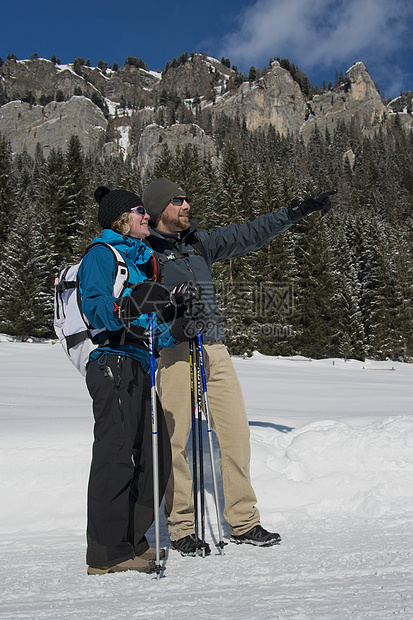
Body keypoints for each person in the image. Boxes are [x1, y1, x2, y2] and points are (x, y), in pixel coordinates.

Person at [142, 177, 336, 555]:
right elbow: (136, 301)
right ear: (159, 208)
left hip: (213, 347)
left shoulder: (199, 243)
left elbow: (250, 233)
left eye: (186, 198)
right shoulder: (143, 252)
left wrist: (295, 212)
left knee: (235, 434)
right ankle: (181, 526)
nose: (186, 205)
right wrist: (170, 312)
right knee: (174, 439)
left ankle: (244, 522)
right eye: (178, 201)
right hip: (173, 351)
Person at [79, 186, 204, 574]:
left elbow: (154, 331)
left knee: (156, 457)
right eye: (139, 211)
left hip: (139, 366)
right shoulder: (101, 256)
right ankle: (106, 553)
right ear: (121, 218)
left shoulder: (144, 261)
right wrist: (129, 305)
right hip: (110, 362)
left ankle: (132, 541)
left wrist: (179, 322)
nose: (146, 216)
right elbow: (98, 309)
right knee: (115, 456)